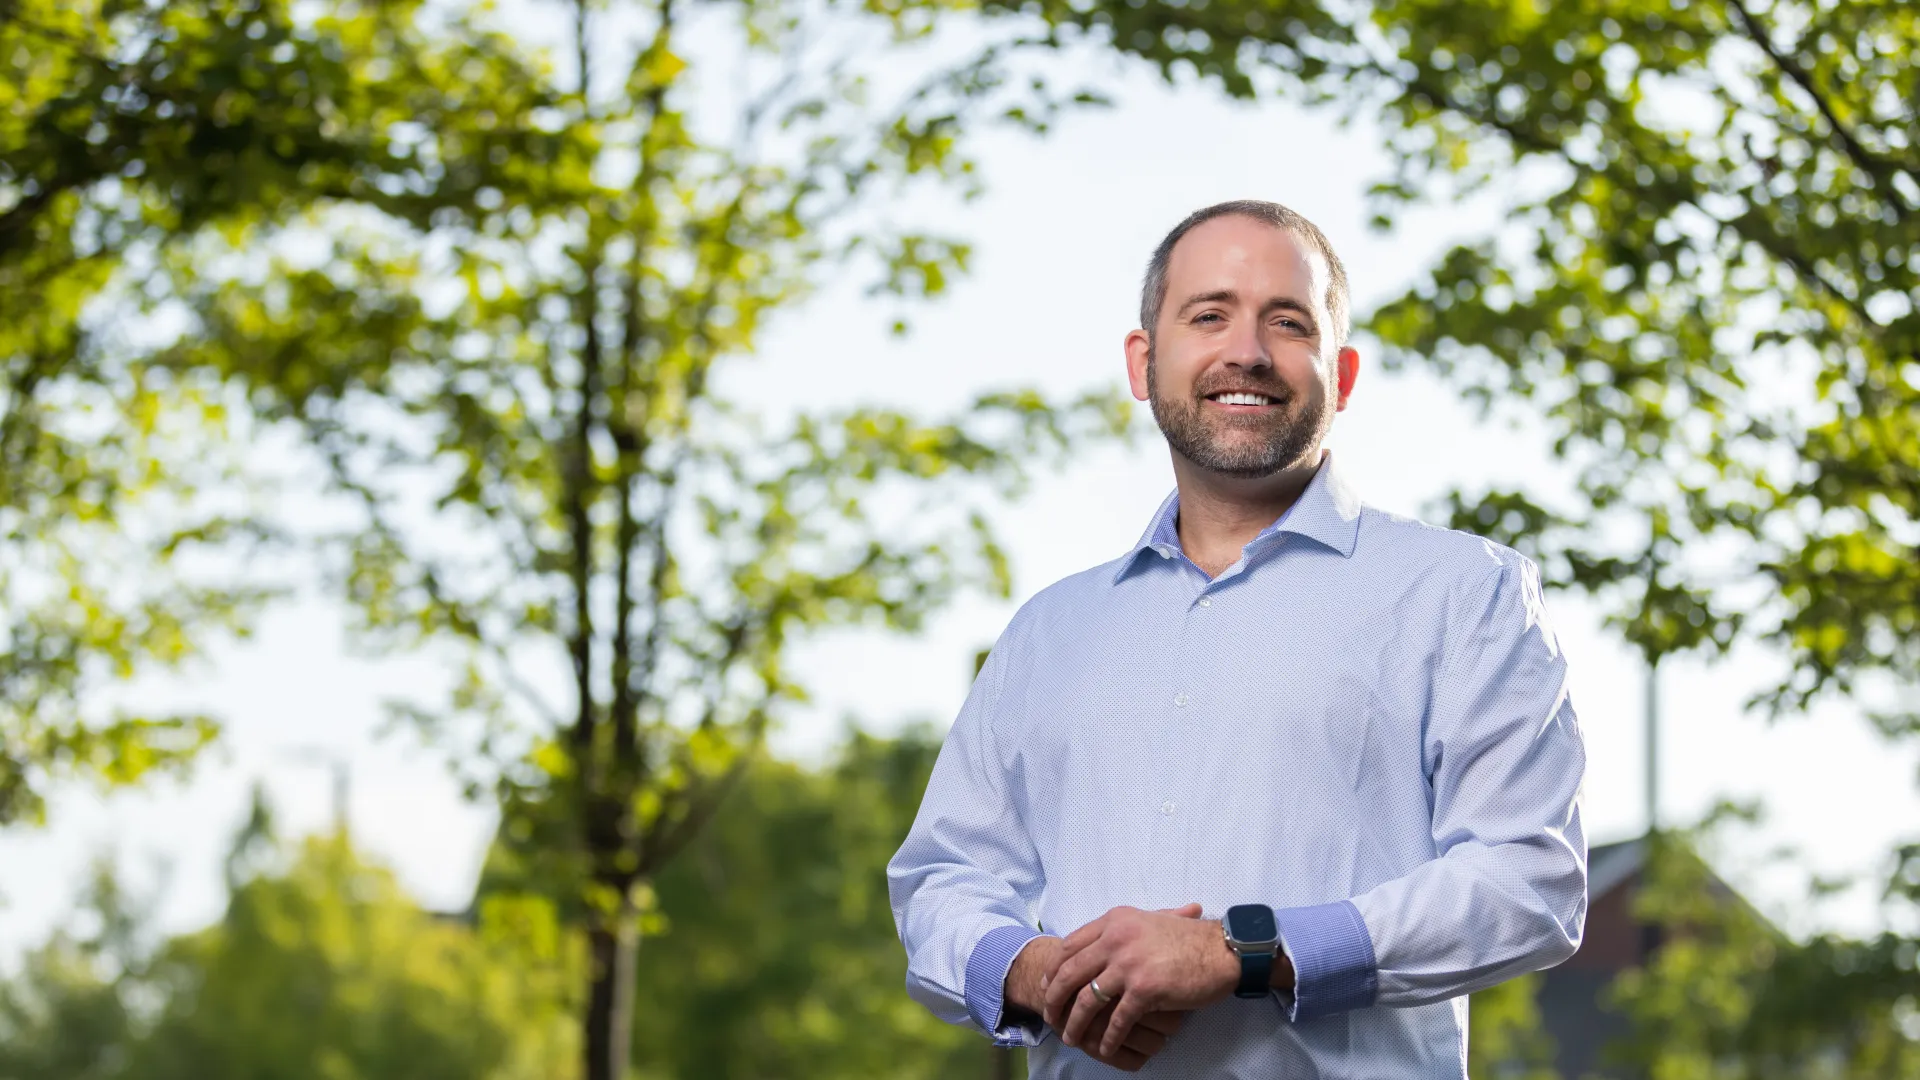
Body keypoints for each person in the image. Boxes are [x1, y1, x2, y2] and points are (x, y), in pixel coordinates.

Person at [887, 200, 1589, 1077]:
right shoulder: (1045, 633)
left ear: (1343, 372)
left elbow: (1530, 884)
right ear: (1145, 363)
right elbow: (942, 878)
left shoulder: (1463, 593)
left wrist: (1246, 952)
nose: (1247, 351)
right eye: (1209, 314)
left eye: (1287, 322)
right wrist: (1030, 970)